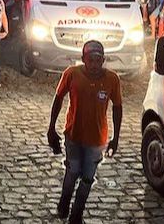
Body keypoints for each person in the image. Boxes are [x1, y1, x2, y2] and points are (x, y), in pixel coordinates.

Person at [47, 41, 122, 222]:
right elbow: (58, 98)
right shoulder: (72, 74)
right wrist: (51, 128)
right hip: (73, 134)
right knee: (72, 172)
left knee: (88, 178)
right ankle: (64, 202)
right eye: (91, 60)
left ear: (103, 60)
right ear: (83, 59)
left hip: (97, 139)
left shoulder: (112, 79)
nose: (95, 65)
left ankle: (77, 213)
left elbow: (117, 107)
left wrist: (115, 138)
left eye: (99, 60)